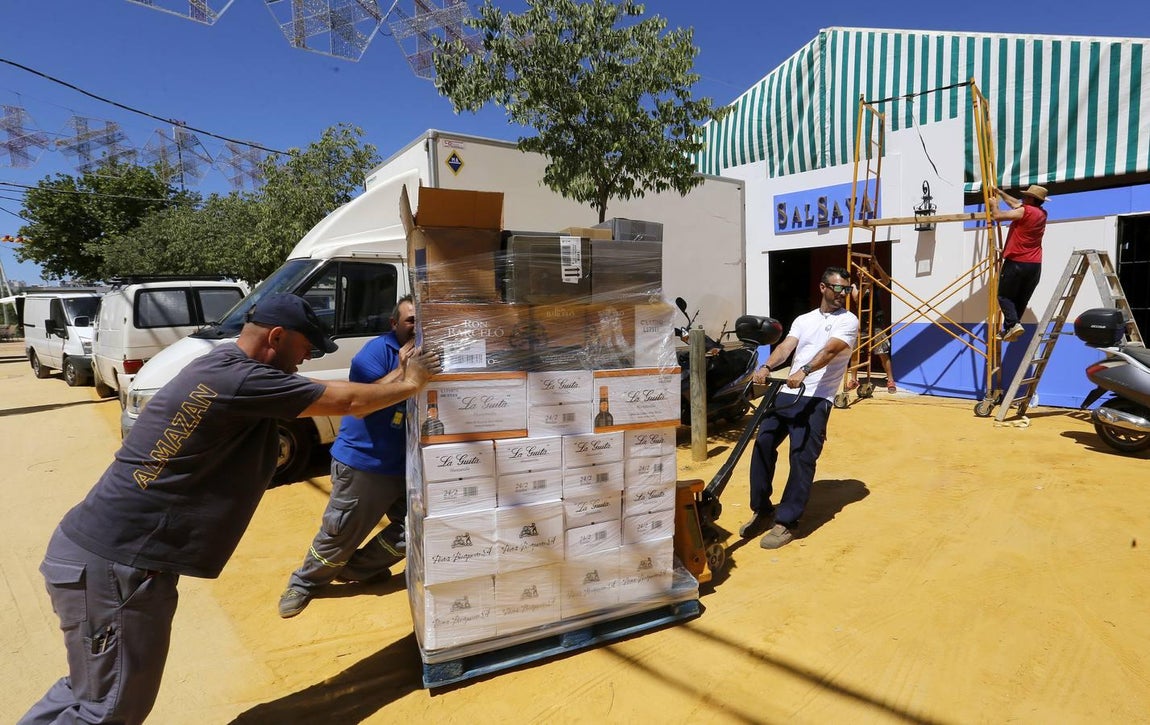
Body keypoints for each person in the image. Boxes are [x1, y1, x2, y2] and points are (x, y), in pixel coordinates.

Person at [20, 293, 437, 725]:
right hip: (116, 566)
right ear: (276, 337)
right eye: (305, 345)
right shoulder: (244, 381)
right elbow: (349, 402)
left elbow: (360, 395)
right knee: (108, 709)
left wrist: (404, 374)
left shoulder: (222, 367)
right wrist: (411, 382)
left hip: (97, 557)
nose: (308, 356)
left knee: (88, 688)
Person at [278, 295, 417, 618]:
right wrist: (404, 370)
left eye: (421, 319)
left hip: (404, 465)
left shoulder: (427, 351)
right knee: (341, 533)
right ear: (393, 324)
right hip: (364, 464)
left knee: (415, 526)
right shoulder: (373, 355)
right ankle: (304, 583)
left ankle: (359, 568)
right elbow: (365, 401)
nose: (416, 326)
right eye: (410, 320)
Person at [740, 267, 859, 550]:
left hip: (817, 397)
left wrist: (804, 370)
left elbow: (830, 351)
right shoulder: (804, 320)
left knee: (801, 457)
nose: (842, 294)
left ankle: (786, 522)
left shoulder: (849, 321)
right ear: (822, 288)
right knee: (763, 445)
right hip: (786, 392)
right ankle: (762, 509)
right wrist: (767, 365)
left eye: (846, 289)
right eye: (837, 288)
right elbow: (786, 347)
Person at [990, 184, 1049, 342]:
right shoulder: (1042, 213)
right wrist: (1001, 193)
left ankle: (1013, 324)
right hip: (1035, 265)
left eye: (1026, 196)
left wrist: (994, 204)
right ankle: (1011, 328)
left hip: (1017, 261)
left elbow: (997, 216)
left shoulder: (1025, 211)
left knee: (1003, 296)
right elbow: (1015, 203)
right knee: (1020, 300)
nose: (1022, 198)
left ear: (1031, 199)